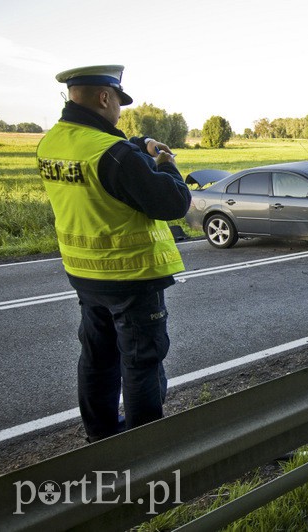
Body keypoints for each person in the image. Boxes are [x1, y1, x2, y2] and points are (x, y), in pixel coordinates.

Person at [37, 65, 191, 442]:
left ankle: (101, 437)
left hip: (84, 275)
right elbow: (173, 202)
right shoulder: (113, 154)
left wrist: (140, 144)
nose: (119, 110)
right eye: (118, 102)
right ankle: (142, 450)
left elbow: (106, 158)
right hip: (131, 276)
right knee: (141, 364)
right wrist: (166, 162)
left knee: (97, 359)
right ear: (104, 98)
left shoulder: (52, 142)